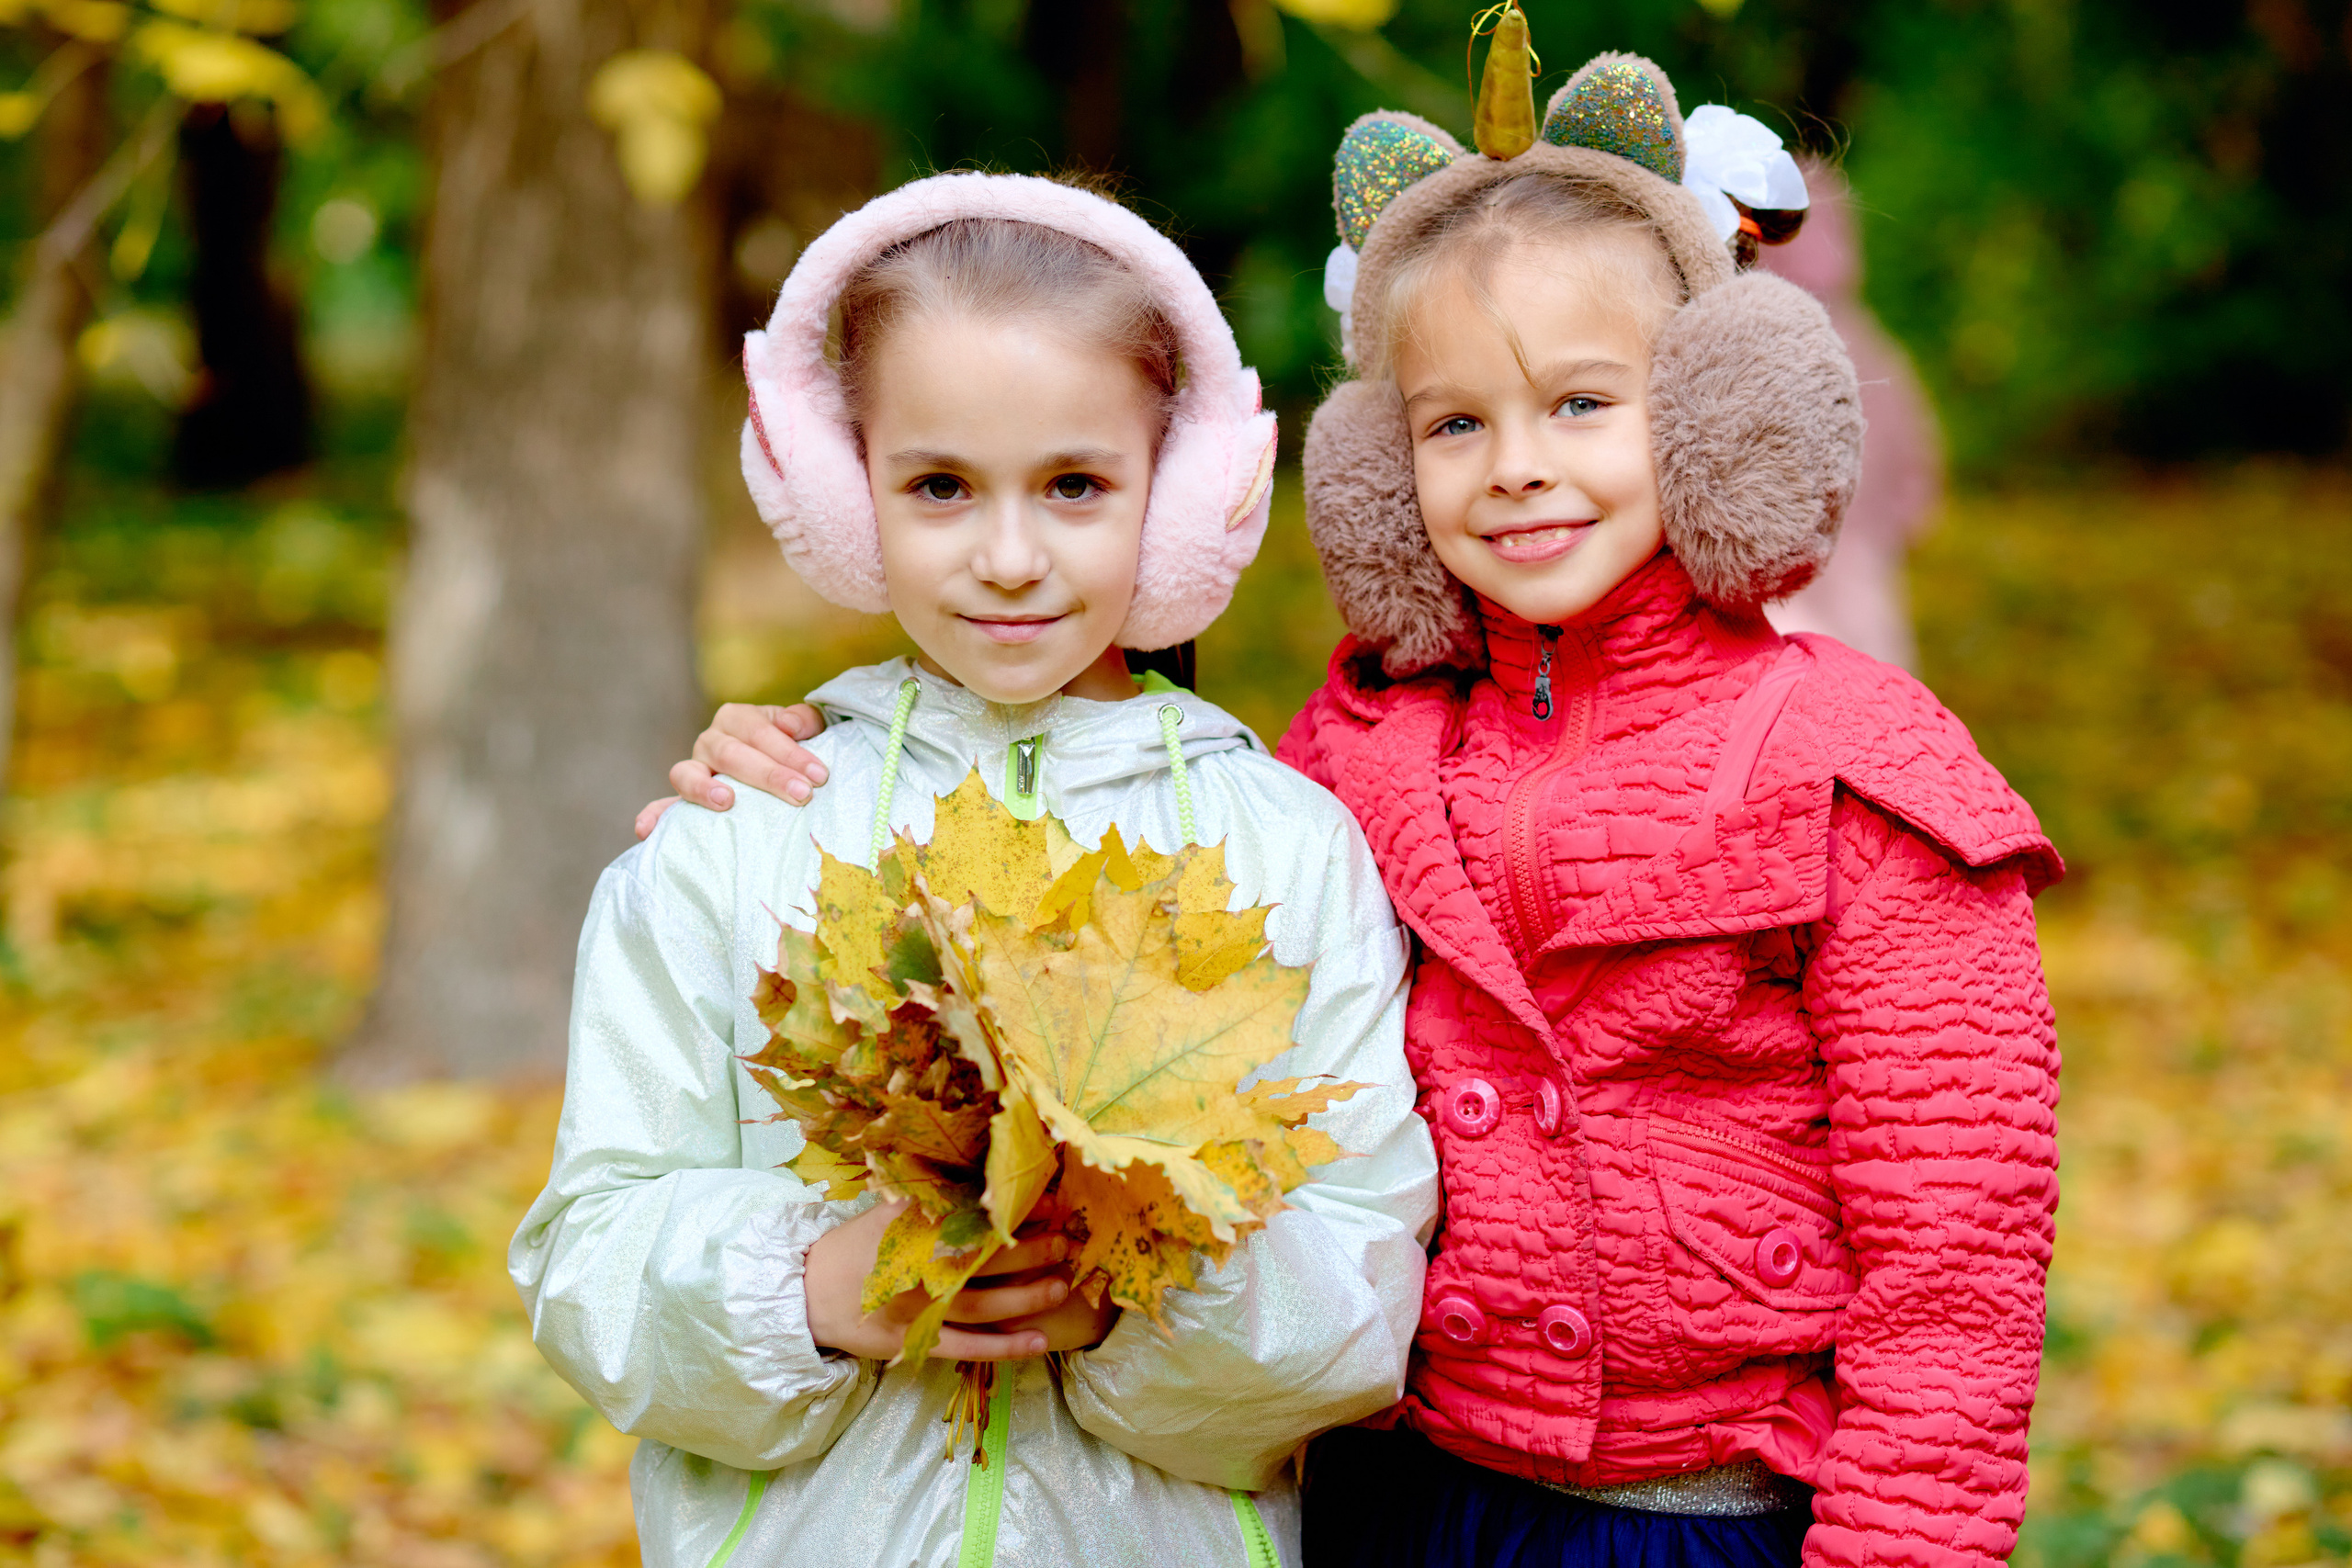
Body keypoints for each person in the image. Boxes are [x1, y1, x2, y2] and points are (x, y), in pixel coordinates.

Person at [645, 52, 2062, 1568]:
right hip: (1393, 1493)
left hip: (1713, 1517)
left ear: (1712, 416)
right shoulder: (1342, 757)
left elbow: (1956, 1238)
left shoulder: (1855, 762)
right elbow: (1097, 913)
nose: (1518, 469)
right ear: (1383, 464)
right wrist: (825, 748)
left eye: (1583, 404)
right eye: (1454, 426)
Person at [516, 172, 1440, 1568]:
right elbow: (590, 1249)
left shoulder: (1284, 848)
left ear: (1181, 497)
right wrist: (808, 1292)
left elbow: (1368, 1272)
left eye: (1076, 485)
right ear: (840, 491)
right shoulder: (741, 830)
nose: (1009, 557)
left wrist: (1136, 1300)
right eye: (939, 486)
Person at [1759, 160, 1945, 671]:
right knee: (1874, 658)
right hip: (1858, 549)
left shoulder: (1757, 341)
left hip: (1787, 556)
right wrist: (1910, 508)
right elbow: (1915, 436)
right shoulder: (1871, 343)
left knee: (1800, 663)